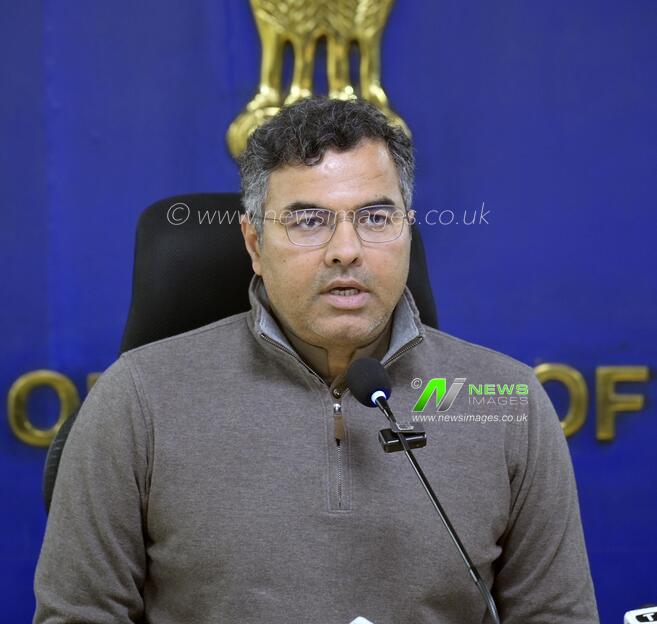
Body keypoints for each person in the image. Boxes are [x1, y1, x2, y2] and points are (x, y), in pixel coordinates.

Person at [33, 98, 599, 624]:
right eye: (309, 221)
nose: (346, 249)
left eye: (375, 217)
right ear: (254, 243)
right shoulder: (138, 400)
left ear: (405, 229)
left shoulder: (507, 402)